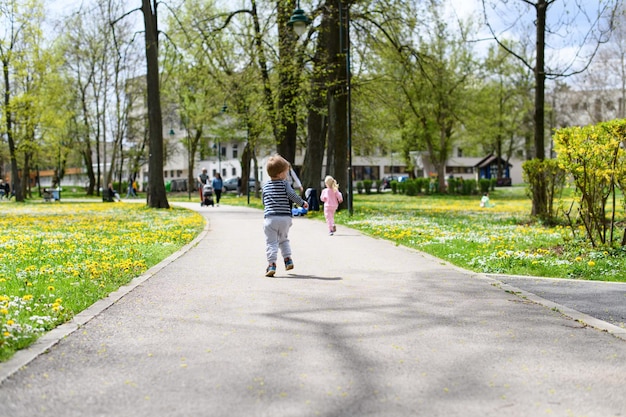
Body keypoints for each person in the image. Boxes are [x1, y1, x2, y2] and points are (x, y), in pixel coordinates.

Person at [262, 154, 309, 277]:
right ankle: (288, 259)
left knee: (271, 242)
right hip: (285, 219)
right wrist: (302, 203)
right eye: (286, 172)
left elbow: (264, 201)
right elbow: (293, 196)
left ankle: (272, 264)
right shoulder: (285, 184)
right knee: (283, 239)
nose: (287, 174)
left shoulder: (265, 186)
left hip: (270, 218)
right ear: (280, 174)